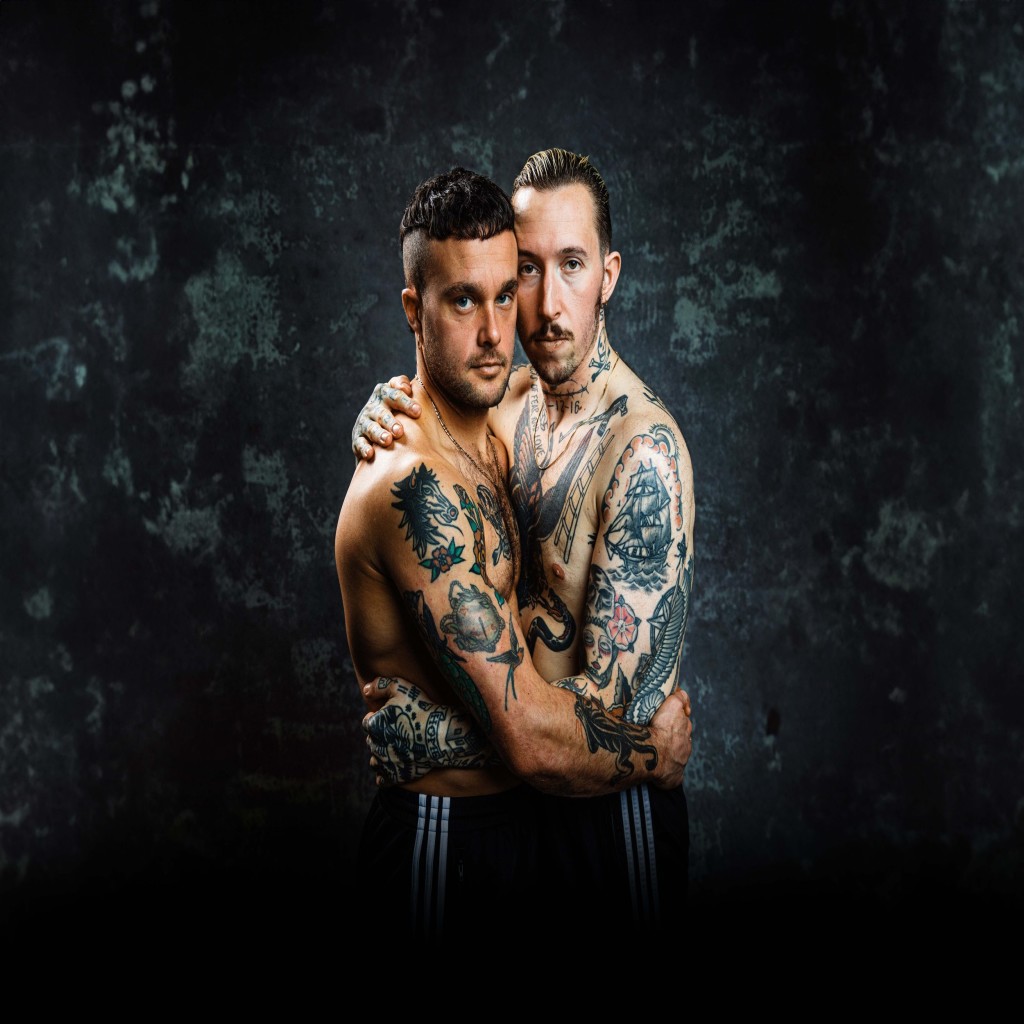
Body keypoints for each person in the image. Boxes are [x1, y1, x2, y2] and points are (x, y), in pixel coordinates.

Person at [335, 164, 693, 941]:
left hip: (611, 814)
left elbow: (604, 714)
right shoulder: (506, 410)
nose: (541, 304)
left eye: (573, 265)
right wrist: (377, 413)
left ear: (608, 276)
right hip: (500, 819)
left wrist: (430, 734)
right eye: (527, 270)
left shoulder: (642, 453)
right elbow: (525, 727)